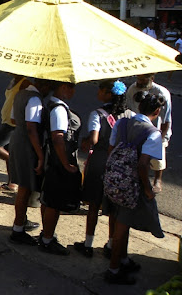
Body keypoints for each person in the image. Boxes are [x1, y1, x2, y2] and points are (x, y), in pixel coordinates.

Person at [105, 91, 166, 285]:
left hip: (113, 180)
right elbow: (142, 165)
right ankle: (113, 270)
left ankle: (122, 259)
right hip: (131, 186)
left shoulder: (122, 123)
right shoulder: (152, 133)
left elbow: (111, 148)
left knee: (119, 220)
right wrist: (148, 189)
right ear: (157, 111)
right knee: (122, 226)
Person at [74, 80, 133, 258]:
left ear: (108, 94)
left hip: (100, 161)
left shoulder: (97, 114)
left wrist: (85, 141)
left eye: (101, 89)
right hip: (120, 165)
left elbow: (94, 139)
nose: (98, 92)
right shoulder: (130, 115)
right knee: (114, 208)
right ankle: (111, 244)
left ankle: (88, 243)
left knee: (93, 204)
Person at [38, 81, 81, 255]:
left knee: (48, 199)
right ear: (63, 87)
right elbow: (58, 137)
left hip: (52, 158)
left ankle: (46, 234)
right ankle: (48, 239)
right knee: (54, 202)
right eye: (71, 87)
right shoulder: (59, 109)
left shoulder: (52, 104)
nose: (73, 91)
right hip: (58, 160)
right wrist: (66, 164)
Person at [8, 78, 50, 246]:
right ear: (43, 85)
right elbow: (32, 128)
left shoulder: (20, 94)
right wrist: (40, 156)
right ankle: (18, 228)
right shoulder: (34, 98)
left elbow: (12, 120)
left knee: (23, 188)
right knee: (25, 188)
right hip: (27, 145)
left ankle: (19, 224)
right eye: (49, 87)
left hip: (17, 139)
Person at [125, 74, 171, 193]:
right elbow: (129, 110)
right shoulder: (132, 90)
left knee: (157, 159)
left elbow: (166, 120)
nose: (139, 82)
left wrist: (160, 140)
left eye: (143, 79)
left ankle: (157, 179)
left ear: (151, 79)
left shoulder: (162, 93)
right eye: (138, 79)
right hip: (138, 127)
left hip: (156, 129)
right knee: (138, 157)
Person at [0, 75, 29, 192]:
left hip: (12, 124)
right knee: (9, 151)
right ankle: (12, 184)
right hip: (7, 121)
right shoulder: (15, 80)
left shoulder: (25, 83)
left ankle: (15, 163)